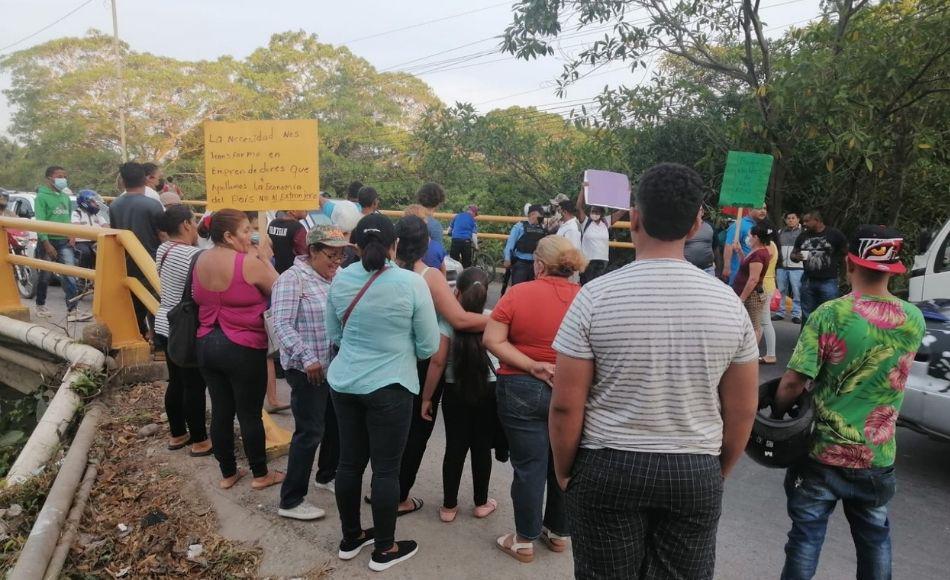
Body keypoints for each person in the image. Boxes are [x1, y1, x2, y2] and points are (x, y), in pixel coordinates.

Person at [549, 162, 759, 579]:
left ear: (635, 217)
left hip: (607, 465)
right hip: (694, 469)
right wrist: (716, 472)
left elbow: (565, 406)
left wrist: (565, 470)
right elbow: (742, 410)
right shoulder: (728, 304)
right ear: (697, 222)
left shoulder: (595, 296)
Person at [771, 225, 925, 580]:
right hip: (877, 454)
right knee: (874, 538)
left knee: (806, 538)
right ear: (892, 267)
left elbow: (794, 381)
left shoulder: (830, 314)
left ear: (849, 264)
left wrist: (778, 412)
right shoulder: (912, 319)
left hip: (823, 452)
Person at [325, 214, 440, 572]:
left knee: (349, 463)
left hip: (345, 383)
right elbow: (428, 346)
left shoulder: (340, 279)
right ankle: (385, 549)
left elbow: (335, 335)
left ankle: (350, 537)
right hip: (391, 387)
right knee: (387, 471)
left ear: (356, 245)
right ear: (394, 247)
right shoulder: (411, 283)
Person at [484, 235, 587, 564]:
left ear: (539, 264)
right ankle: (558, 533)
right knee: (565, 462)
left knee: (529, 467)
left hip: (521, 387)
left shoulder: (518, 293)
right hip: (571, 389)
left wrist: (532, 365)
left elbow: (492, 339)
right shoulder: (587, 298)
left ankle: (524, 540)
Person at [388, 215, 487, 517]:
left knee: (390, 431)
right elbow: (458, 319)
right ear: (426, 243)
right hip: (418, 364)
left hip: (388, 360)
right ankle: (398, 495)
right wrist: (501, 318)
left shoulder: (384, 271)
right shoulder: (429, 276)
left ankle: (384, 488)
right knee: (418, 430)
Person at [192, 209, 283, 491]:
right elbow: (280, 289)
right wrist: (265, 260)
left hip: (207, 340)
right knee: (249, 412)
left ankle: (228, 472)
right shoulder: (248, 263)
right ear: (228, 236)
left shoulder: (200, 259)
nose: (250, 235)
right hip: (242, 345)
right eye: (245, 230)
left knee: (221, 409)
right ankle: (260, 473)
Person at [273, 225, 350, 522]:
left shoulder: (338, 277)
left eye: (341, 255)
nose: (336, 262)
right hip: (308, 371)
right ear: (313, 251)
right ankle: (291, 499)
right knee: (310, 432)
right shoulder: (292, 280)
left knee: (336, 424)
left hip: (335, 366)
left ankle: (326, 475)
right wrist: (307, 357)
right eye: (331, 255)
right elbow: (281, 324)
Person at [420, 266, 499, 523]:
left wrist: (427, 397)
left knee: (454, 446)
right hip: (489, 389)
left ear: (457, 292)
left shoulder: (448, 321)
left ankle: (448, 507)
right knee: (481, 447)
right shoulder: (493, 318)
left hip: (455, 391)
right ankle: (481, 502)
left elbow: (438, 362)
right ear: (486, 294)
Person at [154, 204, 212, 457]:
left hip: (164, 322)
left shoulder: (163, 249)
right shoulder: (193, 256)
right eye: (193, 220)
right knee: (193, 384)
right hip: (185, 327)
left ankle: (178, 434)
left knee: (175, 381)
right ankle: (200, 440)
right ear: (187, 225)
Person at [110, 162, 165, 337]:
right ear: (144, 179)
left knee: (134, 302)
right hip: (151, 261)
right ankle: (158, 344)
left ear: (123, 181)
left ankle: (138, 335)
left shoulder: (114, 206)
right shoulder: (152, 204)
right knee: (157, 301)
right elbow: (162, 235)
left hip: (127, 262)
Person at [34, 165, 91, 322]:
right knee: (45, 275)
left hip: (64, 241)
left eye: (64, 176)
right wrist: (46, 243)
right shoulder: (41, 197)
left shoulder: (65, 197)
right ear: (49, 178)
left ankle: (72, 310)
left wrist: (71, 235)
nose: (63, 179)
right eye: (59, 176)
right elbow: (40, 222)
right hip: (48, 240)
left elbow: (67, 219)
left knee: (70, 275)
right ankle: (40, 305)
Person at [791, 211, 848, 323]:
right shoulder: (803, 236)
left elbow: (846, 254)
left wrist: (844, 275)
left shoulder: (834, 234)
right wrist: (796, 256)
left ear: (817, 221)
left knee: (828, 313)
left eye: (807, 221)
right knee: (807, 314)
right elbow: (793, 254)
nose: (804, 224)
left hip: (828, 280)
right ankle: (806, 339)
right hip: (808, 280)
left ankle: (826, 339)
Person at [732, 223, 774, 345]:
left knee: (754, 326)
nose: (748, 238)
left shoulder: (759, 254)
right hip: (747, 293)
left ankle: (752, 355)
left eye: (749, 235)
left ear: (756, 237)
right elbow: (745, 265)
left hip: (753, 296)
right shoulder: (755, 251)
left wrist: (742, 298)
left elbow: (753, 279)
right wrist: (740, 252)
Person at [575, 188, 626, 285]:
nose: (594, 213)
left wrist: (626, 194)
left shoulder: (606, 222)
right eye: (592, 211)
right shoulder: (585, 222)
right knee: (587, 286)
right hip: (587, 261)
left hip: (603, 261)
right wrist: (582, 189)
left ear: (602, 213)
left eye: (597, 212)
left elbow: (622, 212)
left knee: (599, 286)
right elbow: (578, 207)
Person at [722, 205, 768, 285]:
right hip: (738, 272)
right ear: (750, 209)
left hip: (754, 273)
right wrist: (727, 267)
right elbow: (728, 245)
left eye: (764, 208)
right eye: (759, 208)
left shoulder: (761, 227)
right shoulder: (739, 225)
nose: (763, 211)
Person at [503, 204, 546, 287]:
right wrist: (507, 258)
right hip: (521, 264)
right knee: (518, 289)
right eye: (539, 215)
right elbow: (510, 244)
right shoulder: (519, 226)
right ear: (532, 214)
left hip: (535, 265)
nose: (541, 218)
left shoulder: (542, 228)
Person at [774, 212, 804, 323]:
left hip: (797, 267)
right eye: (788, 218)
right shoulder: (780, 232)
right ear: (785, 220)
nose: (790, 220)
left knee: (797, 291)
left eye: (793, 218)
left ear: (798, 219)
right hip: (781, 266)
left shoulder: (803, 233)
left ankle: (797, 314)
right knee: (781, 290)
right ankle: (780, 312)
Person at [267, 210, 309, 274]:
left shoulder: (273, 223)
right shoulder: (298, 228)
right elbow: (305, 255)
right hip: (293, 275)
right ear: (293, 211)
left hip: (273, 273)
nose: (306, 209)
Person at [417, 182, 447, 269]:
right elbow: (437, 255)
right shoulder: (434, 225)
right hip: (426, 270)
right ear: (439, 202)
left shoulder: (408, 218)